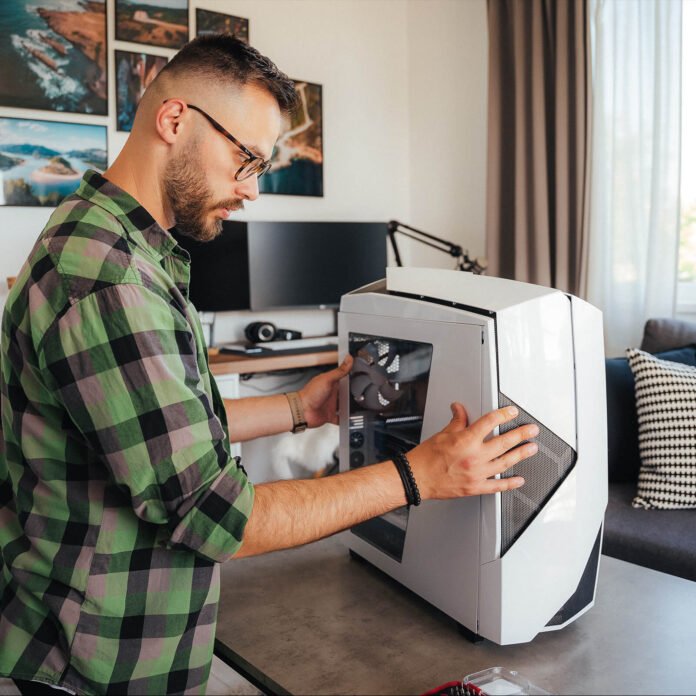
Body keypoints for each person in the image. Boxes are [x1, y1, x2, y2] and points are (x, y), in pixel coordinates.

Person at [0, 35, 539, 695]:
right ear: (174, 120)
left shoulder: (115, 244)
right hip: (96, 660)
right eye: (246, 159)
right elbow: (213, 512)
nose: (251, 190)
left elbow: (162, 432)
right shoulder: (109, 279)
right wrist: (419, 474)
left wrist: (298, 408)